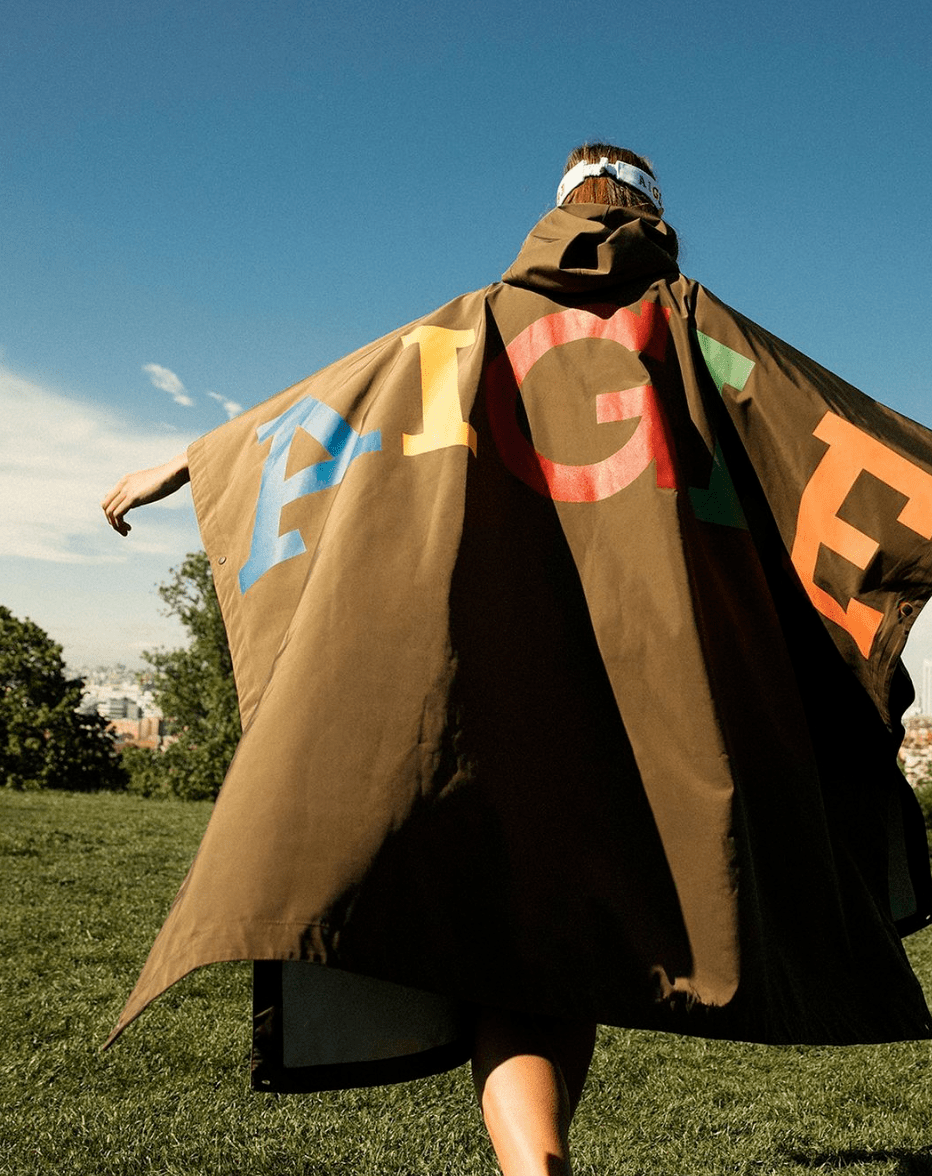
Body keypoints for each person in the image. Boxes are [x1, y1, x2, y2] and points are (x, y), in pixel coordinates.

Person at [102, 144, 932, 1176]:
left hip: (498, 702)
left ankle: (531, 1162)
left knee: (524, 949)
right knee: (562, 950)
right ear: (650, 217)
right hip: (654, 716)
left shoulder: (468, 327)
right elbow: (834, 440)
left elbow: (325, 410)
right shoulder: (692, 334)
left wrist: (181, 462)